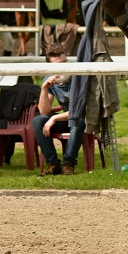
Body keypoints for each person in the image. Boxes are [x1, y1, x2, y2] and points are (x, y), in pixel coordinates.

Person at [32, 43, 85, 176]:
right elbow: (44, 111)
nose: (63, 68)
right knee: (38, 120)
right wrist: (44, 88)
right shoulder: (49, 80)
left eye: (64, 62)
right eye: (58, 65)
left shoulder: (77, 77)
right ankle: (53, 164)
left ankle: (68, 164)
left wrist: (54, 118)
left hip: (82, 118)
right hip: (67, 118)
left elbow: (79, 111)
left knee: (77, 121)